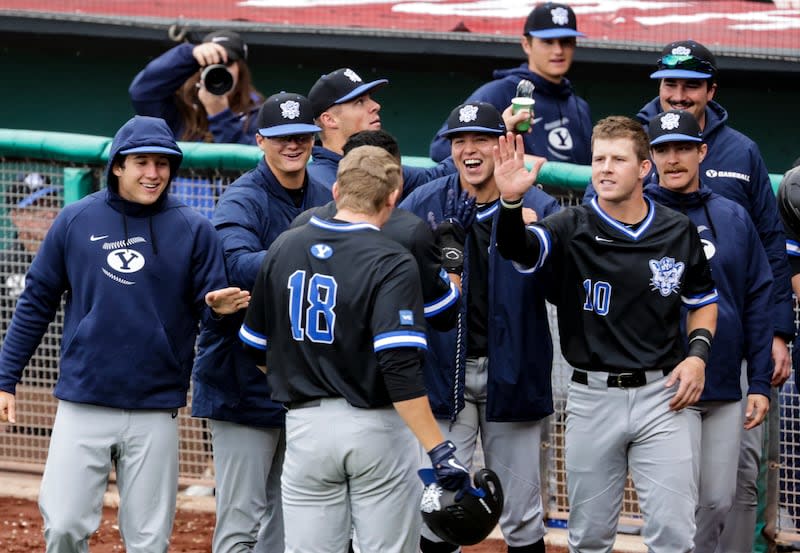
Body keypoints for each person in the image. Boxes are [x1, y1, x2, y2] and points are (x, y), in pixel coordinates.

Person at [0, 115, 249, 553]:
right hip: (84, 399)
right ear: (118, 165)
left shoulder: (196, 229)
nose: (153, 174)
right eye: (142, 163)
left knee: (149, 539)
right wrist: (5, 378)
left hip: (155, 407)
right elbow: (37, 300)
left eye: (163, 164)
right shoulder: (76, 219)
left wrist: (221, 314)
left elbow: (212, 318)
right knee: (62, 525)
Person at [495, 116, 719, 552]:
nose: (605, 168)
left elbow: (702, 302)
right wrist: (508, 202)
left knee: (674, 535)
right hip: (592, 396)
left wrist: (697, 355)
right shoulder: (570, 224)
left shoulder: (677, 229)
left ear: (644, 168)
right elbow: (518, 248)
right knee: (589, 538)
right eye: (598, 159)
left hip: (663, 395)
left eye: (618, 159)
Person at [239, 145, 471, 553]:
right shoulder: (392, 258)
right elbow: (400, 369)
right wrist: (439, 448)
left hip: (306, 427)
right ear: (392, 197)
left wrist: (309, 378)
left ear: (336, 192)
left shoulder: (284, 247)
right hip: (376, 428)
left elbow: (255, 349)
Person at [400, 102, 560, 553]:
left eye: (481, 139)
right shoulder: (426, 202)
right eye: (458, 141)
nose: (469, 150)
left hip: (513, 374)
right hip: (441, 375)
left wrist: (528, 226)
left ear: (504, 143)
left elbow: (557, 284)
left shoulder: (537, 203)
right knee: (437, 508)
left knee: (523, 515)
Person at [190, 92, 332, 553]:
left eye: (301, 136)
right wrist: (315, 257)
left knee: (290, 515)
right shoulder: (244, 196)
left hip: (302, 381)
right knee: (241, 518)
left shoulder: (325, 194)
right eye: (280, 137)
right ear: (260, 140)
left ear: (314, 138)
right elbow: (235, 262)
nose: (292, 145)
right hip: (241, 380)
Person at [643, 109, 773, 552]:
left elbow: (757, 298)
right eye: (663, 149)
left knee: (718, 501)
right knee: (676, 503)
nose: (673, 159)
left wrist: (758, 382)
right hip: (662, 384)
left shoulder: (733, 216)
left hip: (723, 381)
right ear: (651, 156)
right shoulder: (637, 214)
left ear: (702, 152)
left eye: (683, 148)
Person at [291, 129, 460, 332]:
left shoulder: (298, 227)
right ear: (396, 188)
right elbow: (445, 315)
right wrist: (452, 262)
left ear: (338, 186)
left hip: (303, 359)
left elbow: (260, 347)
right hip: (375, 358)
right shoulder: (409, 232)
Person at [428, 2, 592, 165]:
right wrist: (514, 157)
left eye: (566, 42)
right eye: (548, 42)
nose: (558, 51)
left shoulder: (579, 106)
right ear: (526, 44)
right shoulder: (498, 93)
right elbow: (441, 149)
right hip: (517, 191)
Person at [307, 67, 456, 197]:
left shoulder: (380, 167)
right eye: (359, 101)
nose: (376, 106)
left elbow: (437, 176)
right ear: (329, 120)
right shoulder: (313, 183)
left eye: (369, 99)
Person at [129, 30, 264, 145]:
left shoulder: (258, 113)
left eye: (226, 63)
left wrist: (221, 116)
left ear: (240, 70)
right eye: (211, 63)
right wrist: (189, 54)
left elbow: (253, 163)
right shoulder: (182, 105)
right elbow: (141, 92)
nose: (219, 70)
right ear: (199, 69)